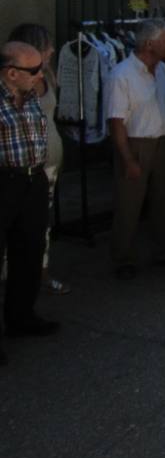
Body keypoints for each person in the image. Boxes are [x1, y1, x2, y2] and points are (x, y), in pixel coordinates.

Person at [105, 19, 165, 278]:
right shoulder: (121, 75)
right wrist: (127, 158)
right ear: (149, 44)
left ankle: (164, 251)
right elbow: (116, 122)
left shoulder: (164, 71)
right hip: (136, 143)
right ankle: (122, 257)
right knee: (129, 203)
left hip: (164, 140)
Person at [0, 40, 59, 361]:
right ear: (11, 73)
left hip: (32, 180)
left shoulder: (32, 93)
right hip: (4, 181)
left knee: (30, 251)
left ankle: (21, 318)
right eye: (35, 70)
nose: (41, 75)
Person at [6, 24, 68, 296]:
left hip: (45, 167)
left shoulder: (44, 80)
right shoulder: (12, 88)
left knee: (38, 226)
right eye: (47, 45)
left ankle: (37, 275)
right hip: (14, 172)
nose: (53, 50)